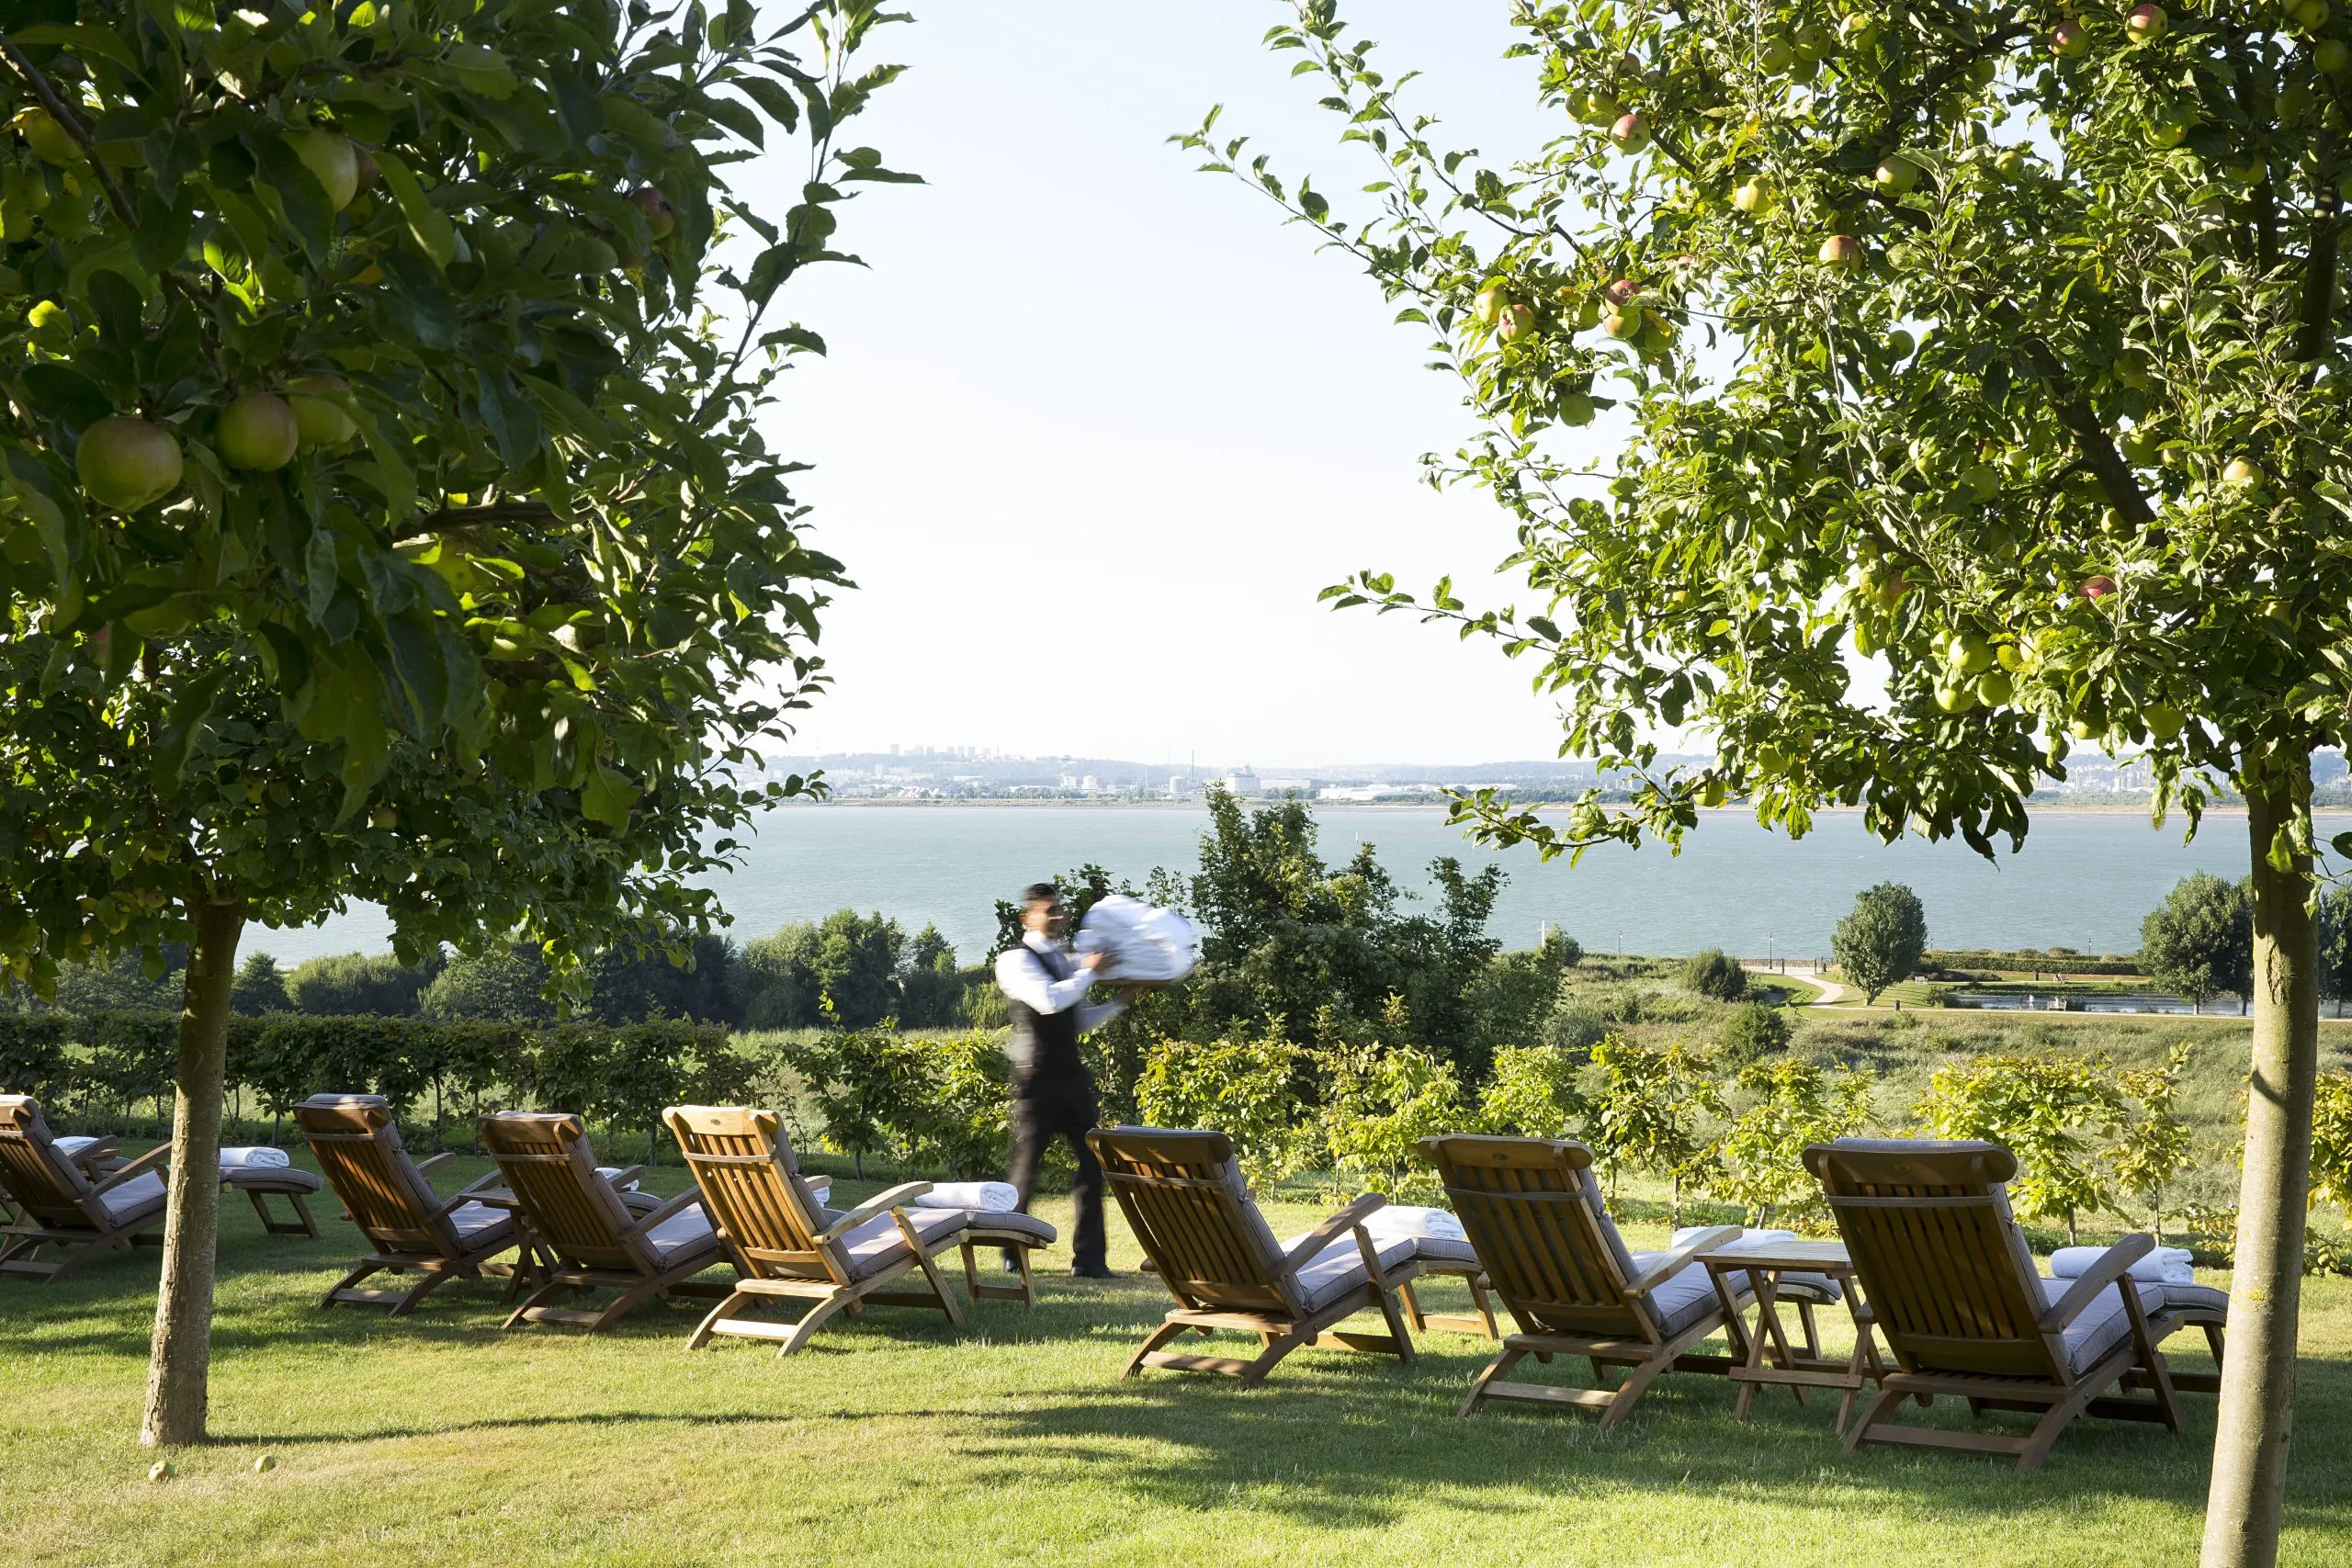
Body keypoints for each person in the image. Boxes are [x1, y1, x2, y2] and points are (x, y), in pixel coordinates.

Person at [995, 883, 1131, 1278]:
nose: (1058, 916)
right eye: (1048, 910)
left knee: (1092, 1165)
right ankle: (1011, 1250)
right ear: (1027, 918)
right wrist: (1089, 971)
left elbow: (1078, 1020)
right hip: (1035, 1079)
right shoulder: (1014, 960)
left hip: (1072, 1076)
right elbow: (1049, 1000)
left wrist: (1119, 1002)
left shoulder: (1065, 960)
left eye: (1059, 909)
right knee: (1026, 1168)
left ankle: (1089, 1261)